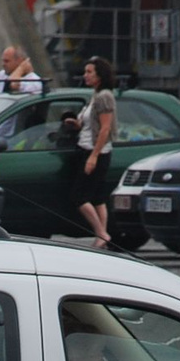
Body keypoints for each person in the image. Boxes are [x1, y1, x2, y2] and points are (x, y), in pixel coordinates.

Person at [61, 56, 118, 249]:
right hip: (87, 147)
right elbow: (90, 124)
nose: (85, 75)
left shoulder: (104, 97)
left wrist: (93, 156)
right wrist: (76, 124)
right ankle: (102, 236)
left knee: (79, 197)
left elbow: (105, 128)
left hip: (96, 152)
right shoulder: (95, 96)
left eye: (89, 72)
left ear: (99, 75)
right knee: (97, 197)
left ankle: (101, 233)